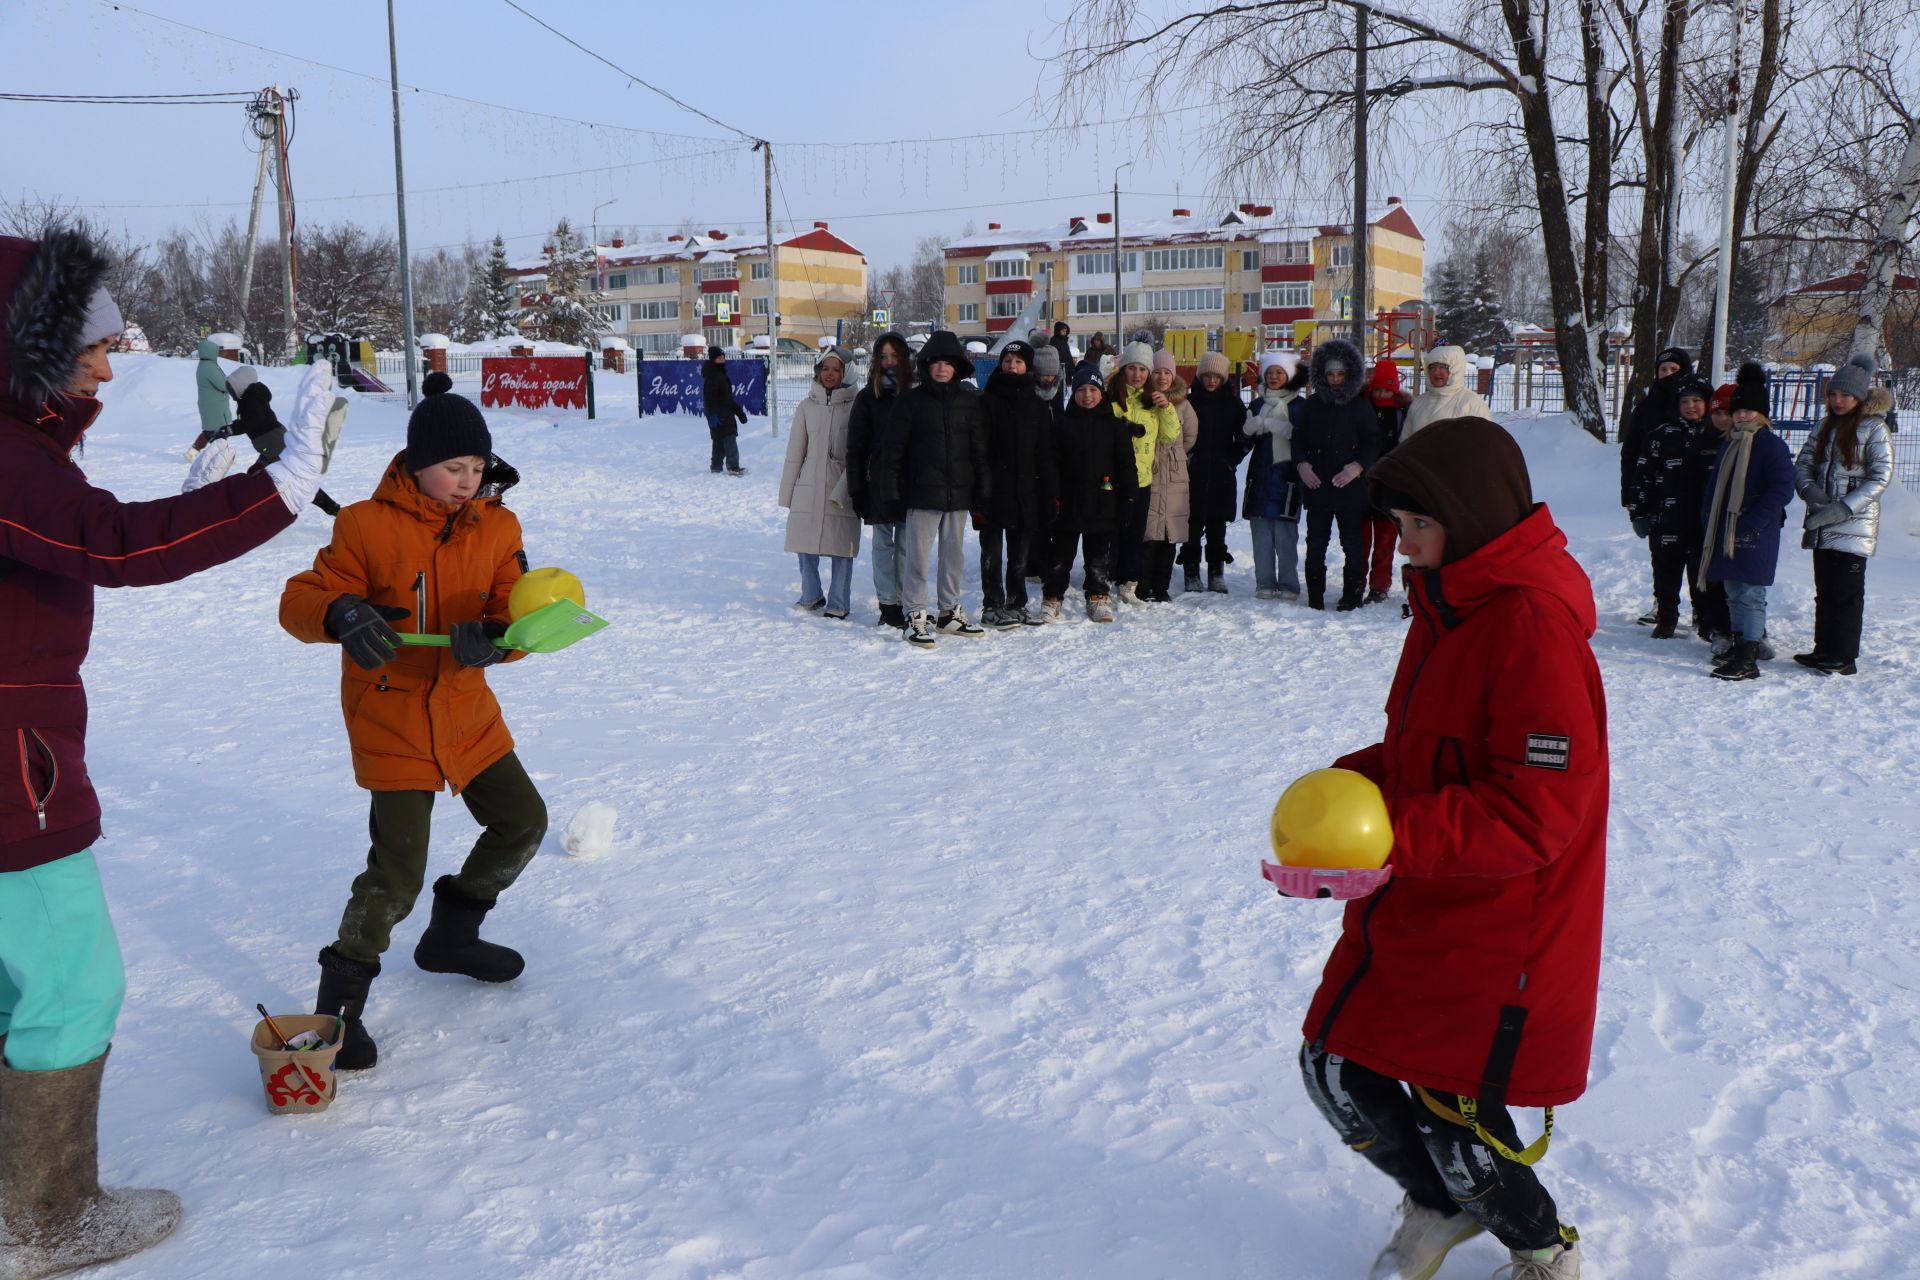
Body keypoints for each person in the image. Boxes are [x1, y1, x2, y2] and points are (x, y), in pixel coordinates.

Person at [0, 228, 335, 1278]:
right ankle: (46, 1218)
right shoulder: (7, 458)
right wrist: (279, 493)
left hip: (20, 744)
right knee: (73, 981)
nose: (109, 363)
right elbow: (116, 541)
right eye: (89, 346)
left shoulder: (21, 444)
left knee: (20, 983)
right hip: (14, 768)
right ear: (31, 346)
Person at [1297, 416, 1602, 1280]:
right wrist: (1341, 791)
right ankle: (1438, 1206)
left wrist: (1391, 834)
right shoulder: (1448, 604)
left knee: (1453, 1112)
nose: (1406, 542)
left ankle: (1543, 1253)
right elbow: (1421, 751)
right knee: (1336, 1071)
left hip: (1499, 923)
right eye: (1399, 526)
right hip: (1422, 895)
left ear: (1469, 518)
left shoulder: (1529, 625)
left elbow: (1538, 810)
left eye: (1420, 525)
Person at [280, 392, 546, 1072]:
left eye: (477, 465)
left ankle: (453, 936)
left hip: (465, 710)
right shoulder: (367, 525)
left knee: (521, 821)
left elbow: (511, 613)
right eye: (454, 466)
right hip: (391, 712)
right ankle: (339, 1006)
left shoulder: (498, 526)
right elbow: (300, 599)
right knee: (396, 872)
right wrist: (341, 612)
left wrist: (497, 640)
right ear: (418, 464)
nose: (468, 480)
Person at [883, 330, 990, 646]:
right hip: (922, 493)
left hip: (958, 493)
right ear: (927, 365)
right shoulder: (910, 402)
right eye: (937, 362)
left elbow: (978, 449)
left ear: (957, 367)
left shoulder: (969, 403)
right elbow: (893, 450)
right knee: (918, 557)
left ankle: (948, 613)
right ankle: (914, 614)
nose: (942, 369)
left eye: (949, 363)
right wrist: (890, 488)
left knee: (953, 556)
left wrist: (983, 486)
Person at [1793, 353, 1894, 676]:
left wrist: (1843, 507)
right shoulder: (1824, 426)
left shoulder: (1874, 429)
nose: (1838, 400)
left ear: (1859, 397)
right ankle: (1823, 649)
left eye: (1846, 395)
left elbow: (1880, 477)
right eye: (1834, 394)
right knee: (1825, 591)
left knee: (1847, 594)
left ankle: (1844, 656)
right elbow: (1804, 463)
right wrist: (1810, 492)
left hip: (1853, 526)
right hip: (1821, 523)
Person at [1697, 362, 1794, 681]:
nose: (1740, 416)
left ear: (1761, 413)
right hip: (1726, 533)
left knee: (1751, 595)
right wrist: (1708, 519)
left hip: (1755, 534)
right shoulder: (1730, 443)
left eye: (1748, 411)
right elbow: (1714, 489)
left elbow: (1781, 489)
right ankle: (1740, 647)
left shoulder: (1771, 445)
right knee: (1734, 592)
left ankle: (1749, 654)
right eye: (1737, 411)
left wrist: (1752, 522)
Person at [1042, 364, 1137, 624]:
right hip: (1068, 503)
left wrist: (1129, 499)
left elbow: (1127, 466)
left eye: (1093, 389)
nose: (1087, 395)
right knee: (1060, 557)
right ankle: (1052, 597)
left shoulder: (1115, 426)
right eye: (1081, 389)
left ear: (1101, 392)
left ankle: (1097, 597)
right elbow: (1050, 462)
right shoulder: (1062, 423)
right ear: (1074, 392)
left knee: (1098, 557)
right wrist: (1051, 495)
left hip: (1103, 503)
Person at [1292, 339, 1381, 611]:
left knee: (1353, 545)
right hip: (1317, 488)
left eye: (1340, 374)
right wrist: (1302, 465)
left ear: (1350, 374)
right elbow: (1298, 439)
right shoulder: (1312, 404)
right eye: (1330, 374)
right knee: (1316, 544)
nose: (1334, 379)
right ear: (1321, 374)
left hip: (1350, 489)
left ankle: (1352, 596)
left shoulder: (1360, 406)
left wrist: (1358, 467)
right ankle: (1315, 597)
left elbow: (1373, 442)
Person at [977, 340, 1058, 627]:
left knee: (1020, 554)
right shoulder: (986, 400)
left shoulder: (1036, 404)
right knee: (992, 553)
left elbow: (1045, 453)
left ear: (1028, 367)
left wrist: (1051, 493)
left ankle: (1016, 603)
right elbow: (978, 449)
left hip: (1025, 491)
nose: (1012, 366)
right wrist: (979, 489)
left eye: (1018, 361)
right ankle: (992, 605)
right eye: (1008, 360)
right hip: (992, 490)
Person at [1626, 376, 1713, 638]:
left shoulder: (1716, 435)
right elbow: (1642, 476)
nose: (1691, 406)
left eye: (1697, 401)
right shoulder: (1661, 435)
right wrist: (1639, 513)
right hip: (1666, 520)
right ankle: (1667, 619)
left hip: (1703, 522)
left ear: (1707, 403)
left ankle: (1705, 620)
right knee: (1665, 574)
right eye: (1685, 401)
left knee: (1703, 576)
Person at [779, 348, 861, 619]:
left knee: (842, 546)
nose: (829, 374)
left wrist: (847, 485)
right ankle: (811, 594)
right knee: (804, 542)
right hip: (808, 485)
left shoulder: (856, 405)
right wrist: (788, 493)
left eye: (835, 369)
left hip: (841, 485)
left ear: (845, 373)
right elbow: (795, 453)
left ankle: (838, 602)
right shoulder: (806, 406)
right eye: (824, 368)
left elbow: (859, 452)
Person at [847, 332, 915, 630]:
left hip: (911, 482)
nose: (888, 362)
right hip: (877, 484)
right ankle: (888, 604)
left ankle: (904, 599)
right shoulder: (867, 397)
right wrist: (856, 488)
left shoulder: (915, 394)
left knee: (905, 545)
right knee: (882, 545)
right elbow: (855, 447)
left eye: (894, 356)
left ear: (903, 359)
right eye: (883, 357)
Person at [1106, 341, 1182, 605]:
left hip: (1141, 480)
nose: (1137, 375)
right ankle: (1104, 579)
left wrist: (1166, 408)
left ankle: (1128, 583)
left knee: (1134, 533)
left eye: (1142, 369)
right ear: (1123, 369)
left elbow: (1171, 435)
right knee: (1109, 531)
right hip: (1112, 480)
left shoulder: (1154, 401)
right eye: (1132, 368)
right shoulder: (1112, 397)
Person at [226, 366, 344, 516]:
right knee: (256, 474)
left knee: (297, 479)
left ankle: (335, 510)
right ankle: (254, 511)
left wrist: (231, 430)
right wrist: (230, 428)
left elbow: (254, 420)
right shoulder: (249, 398)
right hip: (269, 444)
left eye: (231, 388)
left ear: (241, 383)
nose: (230, 393)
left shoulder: (252, 399)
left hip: (273, 443)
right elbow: (250, 420)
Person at [1242, 352, 1305, 600]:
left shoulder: (1299, 406)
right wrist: (1247, 431)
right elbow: (1243, 445)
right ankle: (1264, 582)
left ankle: (1289, 584)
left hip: (1287, 476)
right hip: (1259, 476)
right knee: (1261, 536)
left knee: (1285, 535)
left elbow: (1306, 441)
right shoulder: (1257, 405)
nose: (1274, 377)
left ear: (1288, 375)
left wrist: (1291, 432)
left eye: (1279, 372)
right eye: (1270, 372)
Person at [1182, 351, 1247, 593]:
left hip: (1221, 472)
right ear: (1200, 376)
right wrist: (1187, 458)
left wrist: (1232, 460)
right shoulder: (1189, 401)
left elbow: (1244, 437)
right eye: (1207, 376)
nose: (1211, 381)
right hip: (1193, 472)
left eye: (1216, 377)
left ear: (1223, 379)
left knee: (1217, 524)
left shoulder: (1233, 404)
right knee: (1192, 524)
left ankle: (1216, 572)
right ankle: (1191, 571)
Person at [1142, 350, 1199, 600]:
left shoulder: (1183, 405)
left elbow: (1189, 437)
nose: (1162, 377)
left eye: (1167, 372)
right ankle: (1143, 586)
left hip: (1175, 475)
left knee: (1169, 535)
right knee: (1147, 533)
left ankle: (1161, 587)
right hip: (1149, 470)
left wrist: (1174, 455)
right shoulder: (1143, 401)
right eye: (1157, 372)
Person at [1361, 357, 1412, 601]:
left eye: (1386, 390)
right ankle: (1356, 582)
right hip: (1360, 483)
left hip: (1388, 485)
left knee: (1384, 543)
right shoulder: (1361, 407)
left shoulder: (1403, 412)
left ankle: (1379, 586)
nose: (1382, 394)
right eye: (1378, 389)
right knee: (1358, 542)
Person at [1401, 344, 1491, 440]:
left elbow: (1485, 443)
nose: (1436, 372)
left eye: (1442, 367)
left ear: (1455, 369)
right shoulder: (1419, 403)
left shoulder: (1472, 403)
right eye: (1432, 367)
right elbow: (1405, 441)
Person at [702, 347, 748, 476]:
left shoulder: (721, 375)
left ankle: (716, 466)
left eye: (723, 358)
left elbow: (727, 398)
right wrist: (712, 415)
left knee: (719, 440)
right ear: (713, 360)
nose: (722, 360)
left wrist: (739, 412)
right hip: (719, 415)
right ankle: (733, 466)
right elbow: (709, 399)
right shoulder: (713, 377)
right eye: (719, 358)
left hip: (725, 413)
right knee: (729, 439)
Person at [186, 335, 231, 453]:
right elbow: (223, 384)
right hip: (214, 406)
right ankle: (221, 455)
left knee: (209, 431)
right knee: (219, 432)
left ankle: (192, 453)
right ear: (210, 352)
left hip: (210, 404)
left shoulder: (205, 365)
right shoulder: (209, 367)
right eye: (216, 351)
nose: (217, 353)